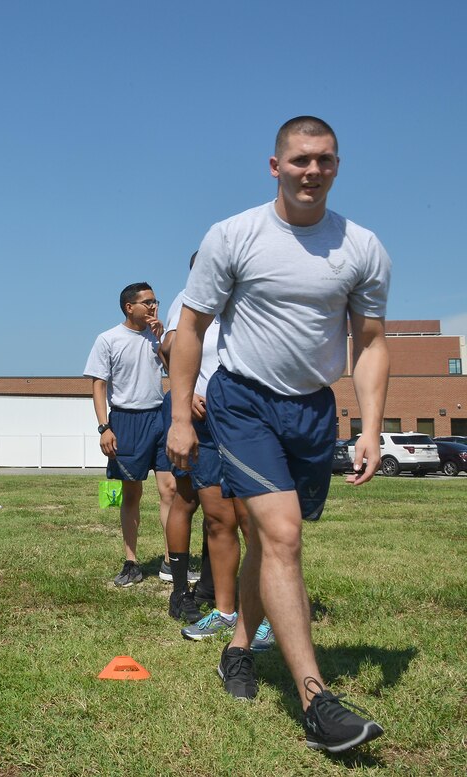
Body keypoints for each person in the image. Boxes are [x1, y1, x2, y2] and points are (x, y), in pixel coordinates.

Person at [167, 116, 390, 753]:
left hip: (313, 410)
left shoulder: (362, 247)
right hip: (243, 402)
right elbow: (190, 329)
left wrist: (370, 428)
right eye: (299, 160)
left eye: (323, 160)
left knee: (274, 539)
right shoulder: (234, 235)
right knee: (284, 535)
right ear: (275, 166)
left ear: (337, 166)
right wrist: (182, 416)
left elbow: (370, 344)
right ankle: (319, 703)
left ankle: (239, 646)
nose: (311, 171)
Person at [159, 254, 274, 649]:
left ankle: (264, 616)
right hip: (204, 426)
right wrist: (183, 396)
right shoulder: (190, 303)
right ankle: (225, 612)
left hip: (245, 422)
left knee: (250, 519)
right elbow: (172, 348)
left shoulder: (252, 300)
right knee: (216, 519)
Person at [84, 283, 178, 587]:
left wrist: (162, 339)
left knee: (170, 490)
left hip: (159, 417)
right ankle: (131, 562)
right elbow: (98, 386)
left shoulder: (156, 338)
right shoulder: (108, 339)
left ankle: (170, 561)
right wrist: (104, 427)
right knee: (132, 494)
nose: (153, 307)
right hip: (126, 420)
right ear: (129, 307)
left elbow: (174, 373)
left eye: (155, 301)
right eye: (147, 302)